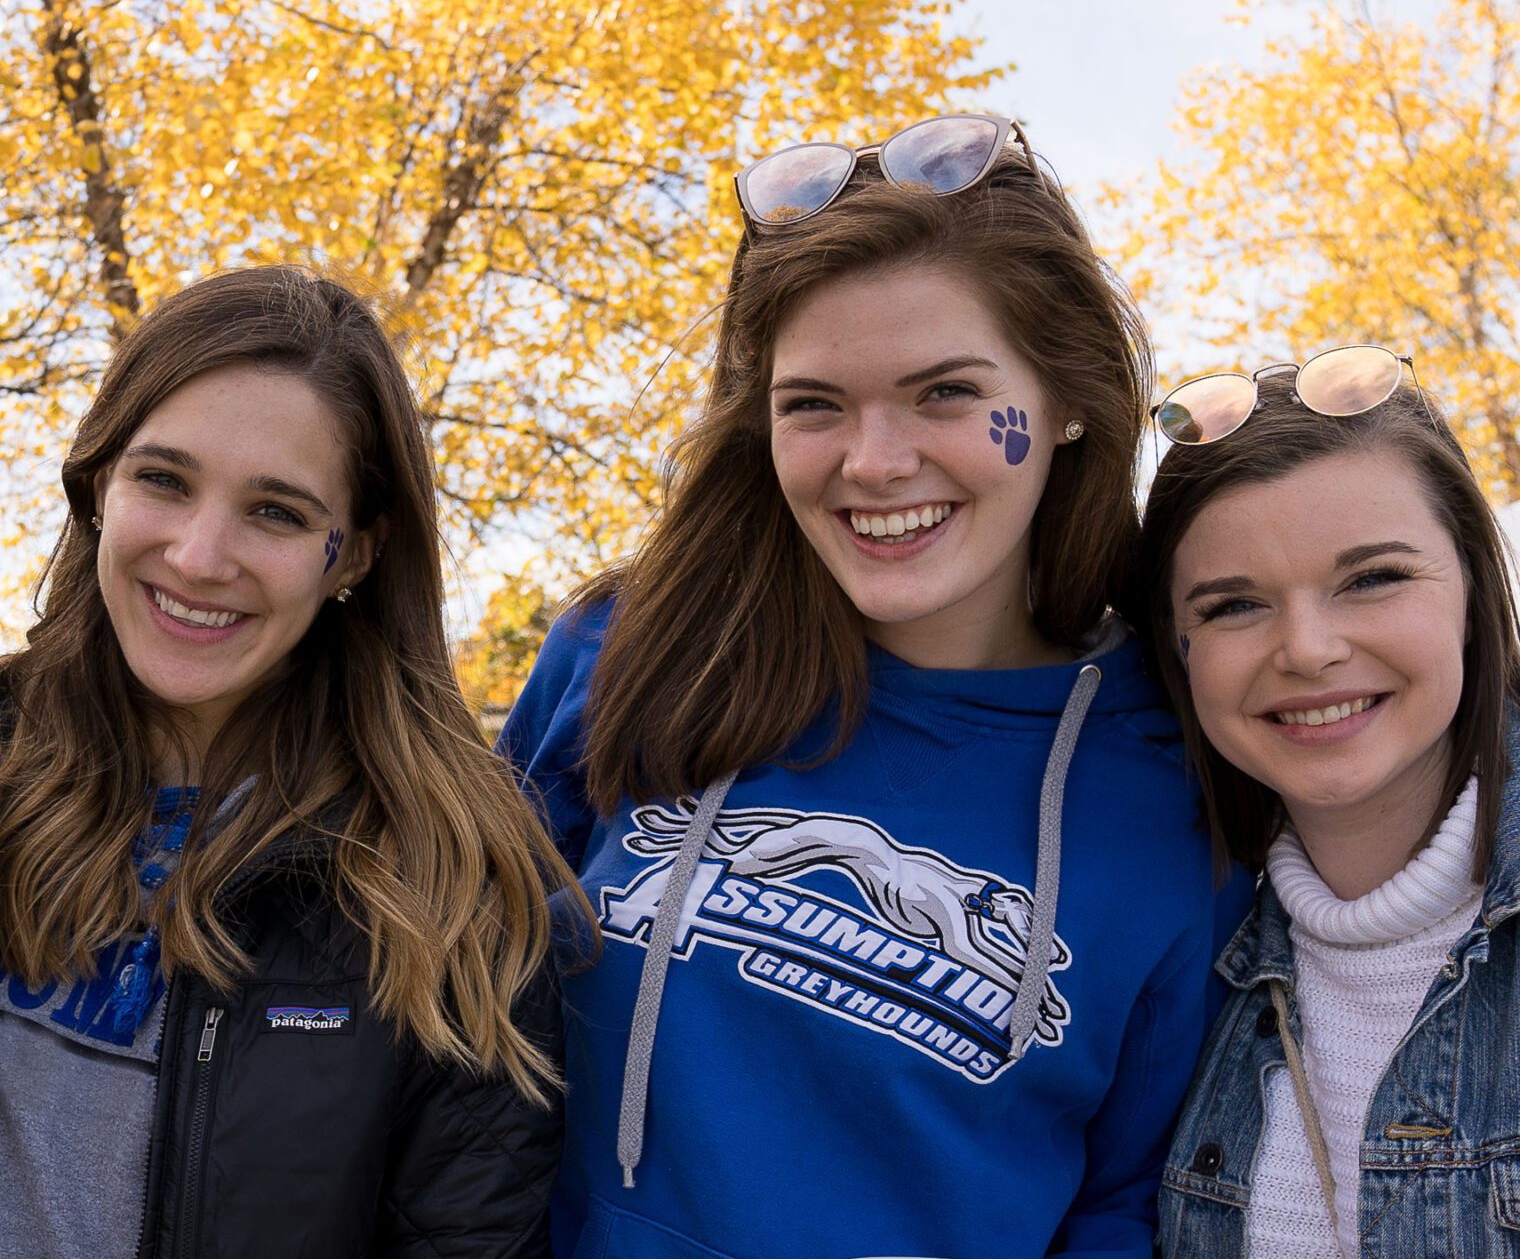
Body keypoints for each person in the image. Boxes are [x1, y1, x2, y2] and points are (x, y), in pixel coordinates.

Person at [498, 115, 1238, 1256]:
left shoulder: (1180, 774)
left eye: (944, 393)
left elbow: (1122, 1203)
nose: (874, 461)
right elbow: (447, 1017)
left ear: (1067, 398)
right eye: (813, 404)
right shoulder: (629, 651)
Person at [0, 264, 574, 1259]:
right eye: (162, 479)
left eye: (276, 512)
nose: (201, 556)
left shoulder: (452, 893)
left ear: (353, 555)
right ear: (97, 485)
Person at [1135, 354, 1520, 1255]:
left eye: (1373, 578)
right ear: (1179, 649)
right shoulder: (1176, 966)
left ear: (1470, 587)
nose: (1307, 650)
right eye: (1234, 605)